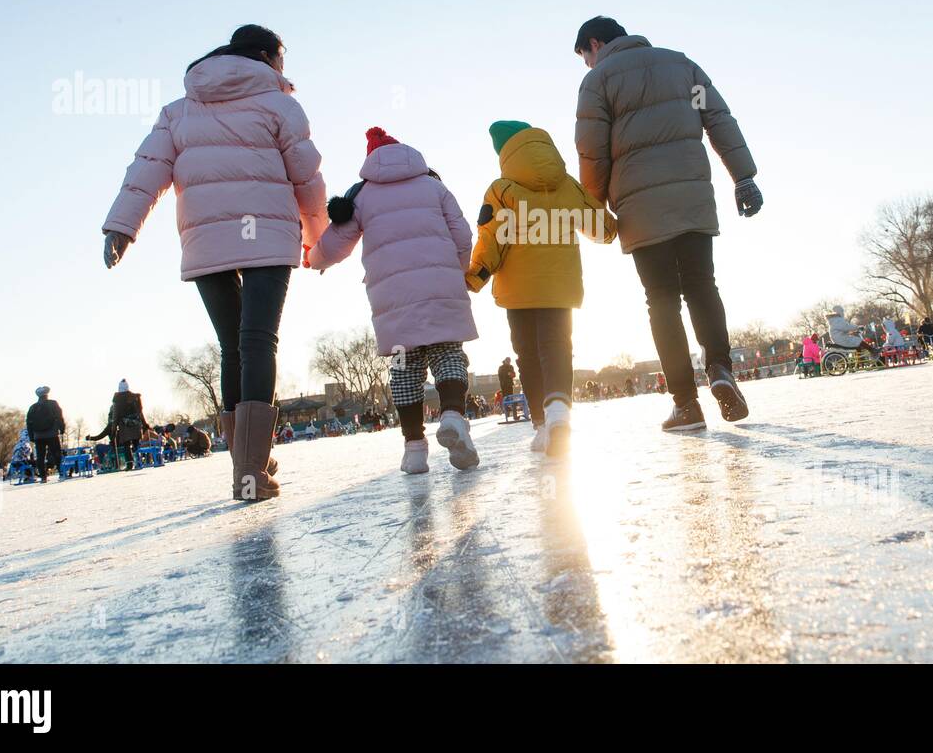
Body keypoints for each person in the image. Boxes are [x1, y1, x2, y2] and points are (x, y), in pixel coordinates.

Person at [102, 25, 327, 502]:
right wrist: (317, 238)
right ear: (269, 56)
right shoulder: (280, 103)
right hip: (267, 233)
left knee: (232, 346)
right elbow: (306, 176)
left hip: (207, 240)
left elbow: (146, 171)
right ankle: (251, 471)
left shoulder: (178, 111)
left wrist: (121, 227)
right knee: (258, 340)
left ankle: (249, 469)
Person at [573, 16, 761, 433]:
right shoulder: (681, 65)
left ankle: (685, 405)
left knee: (661, 299)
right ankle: (720, 369)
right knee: (701, 285)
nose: (587, 65)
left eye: (585, 56)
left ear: (595, 44)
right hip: (692, 196)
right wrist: (743, 176)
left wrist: (595, 209)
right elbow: (718, 119)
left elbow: (593, 153)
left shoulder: (597, 81)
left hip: (641, 207)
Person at [310, 127, 479, 475]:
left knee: (404, 369)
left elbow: (336, 243)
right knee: (448, 354)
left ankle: (414, 448)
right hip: (440, 289)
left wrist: (314, 259)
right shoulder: (434, 186)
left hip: (392, 301)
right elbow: (463, 235)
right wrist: (456, 269)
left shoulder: (363, 196)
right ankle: (452, 415)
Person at [467, 120, 617, 456]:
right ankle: (559, 412)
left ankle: (540, 425)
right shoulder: (566, 185)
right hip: (560, 286)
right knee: (557, 347)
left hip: (517, 292)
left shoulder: (501, 190)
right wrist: (611, 226)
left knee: (527, 354)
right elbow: (600, 226)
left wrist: (476, 274)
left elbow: (490, 237)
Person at [25, 385, 66, 483]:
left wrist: (32, 436)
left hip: (38, 436)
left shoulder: (33, 407)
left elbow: (29, 423)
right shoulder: (53, 403)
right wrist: (62, 429)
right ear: (47, 394)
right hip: (52, 434)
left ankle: (43, 477)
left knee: (40, 456)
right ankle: (61, 473)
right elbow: (60, 417)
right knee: (56, 454)